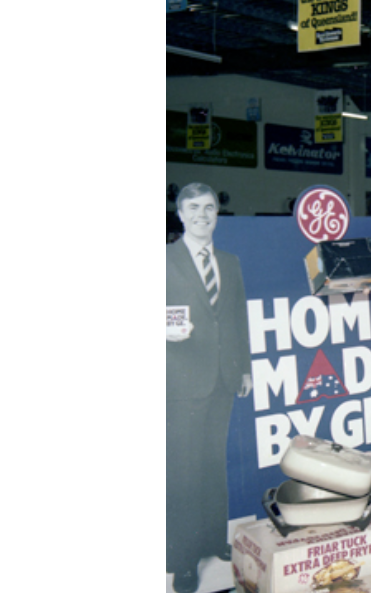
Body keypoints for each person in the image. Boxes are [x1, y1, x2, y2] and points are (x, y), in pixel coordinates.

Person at [166, 182, 253, 593]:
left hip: (223, 378)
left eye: (210, 208)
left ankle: (211, 541)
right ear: (180, 215)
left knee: (213, 465)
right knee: (182, 472)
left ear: (217, 214)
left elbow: (237, 320)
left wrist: (245, 370)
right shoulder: (166, 259)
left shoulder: (230, 261)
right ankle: (180, 561)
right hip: (180, 381)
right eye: (194, 208)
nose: (202, 215)